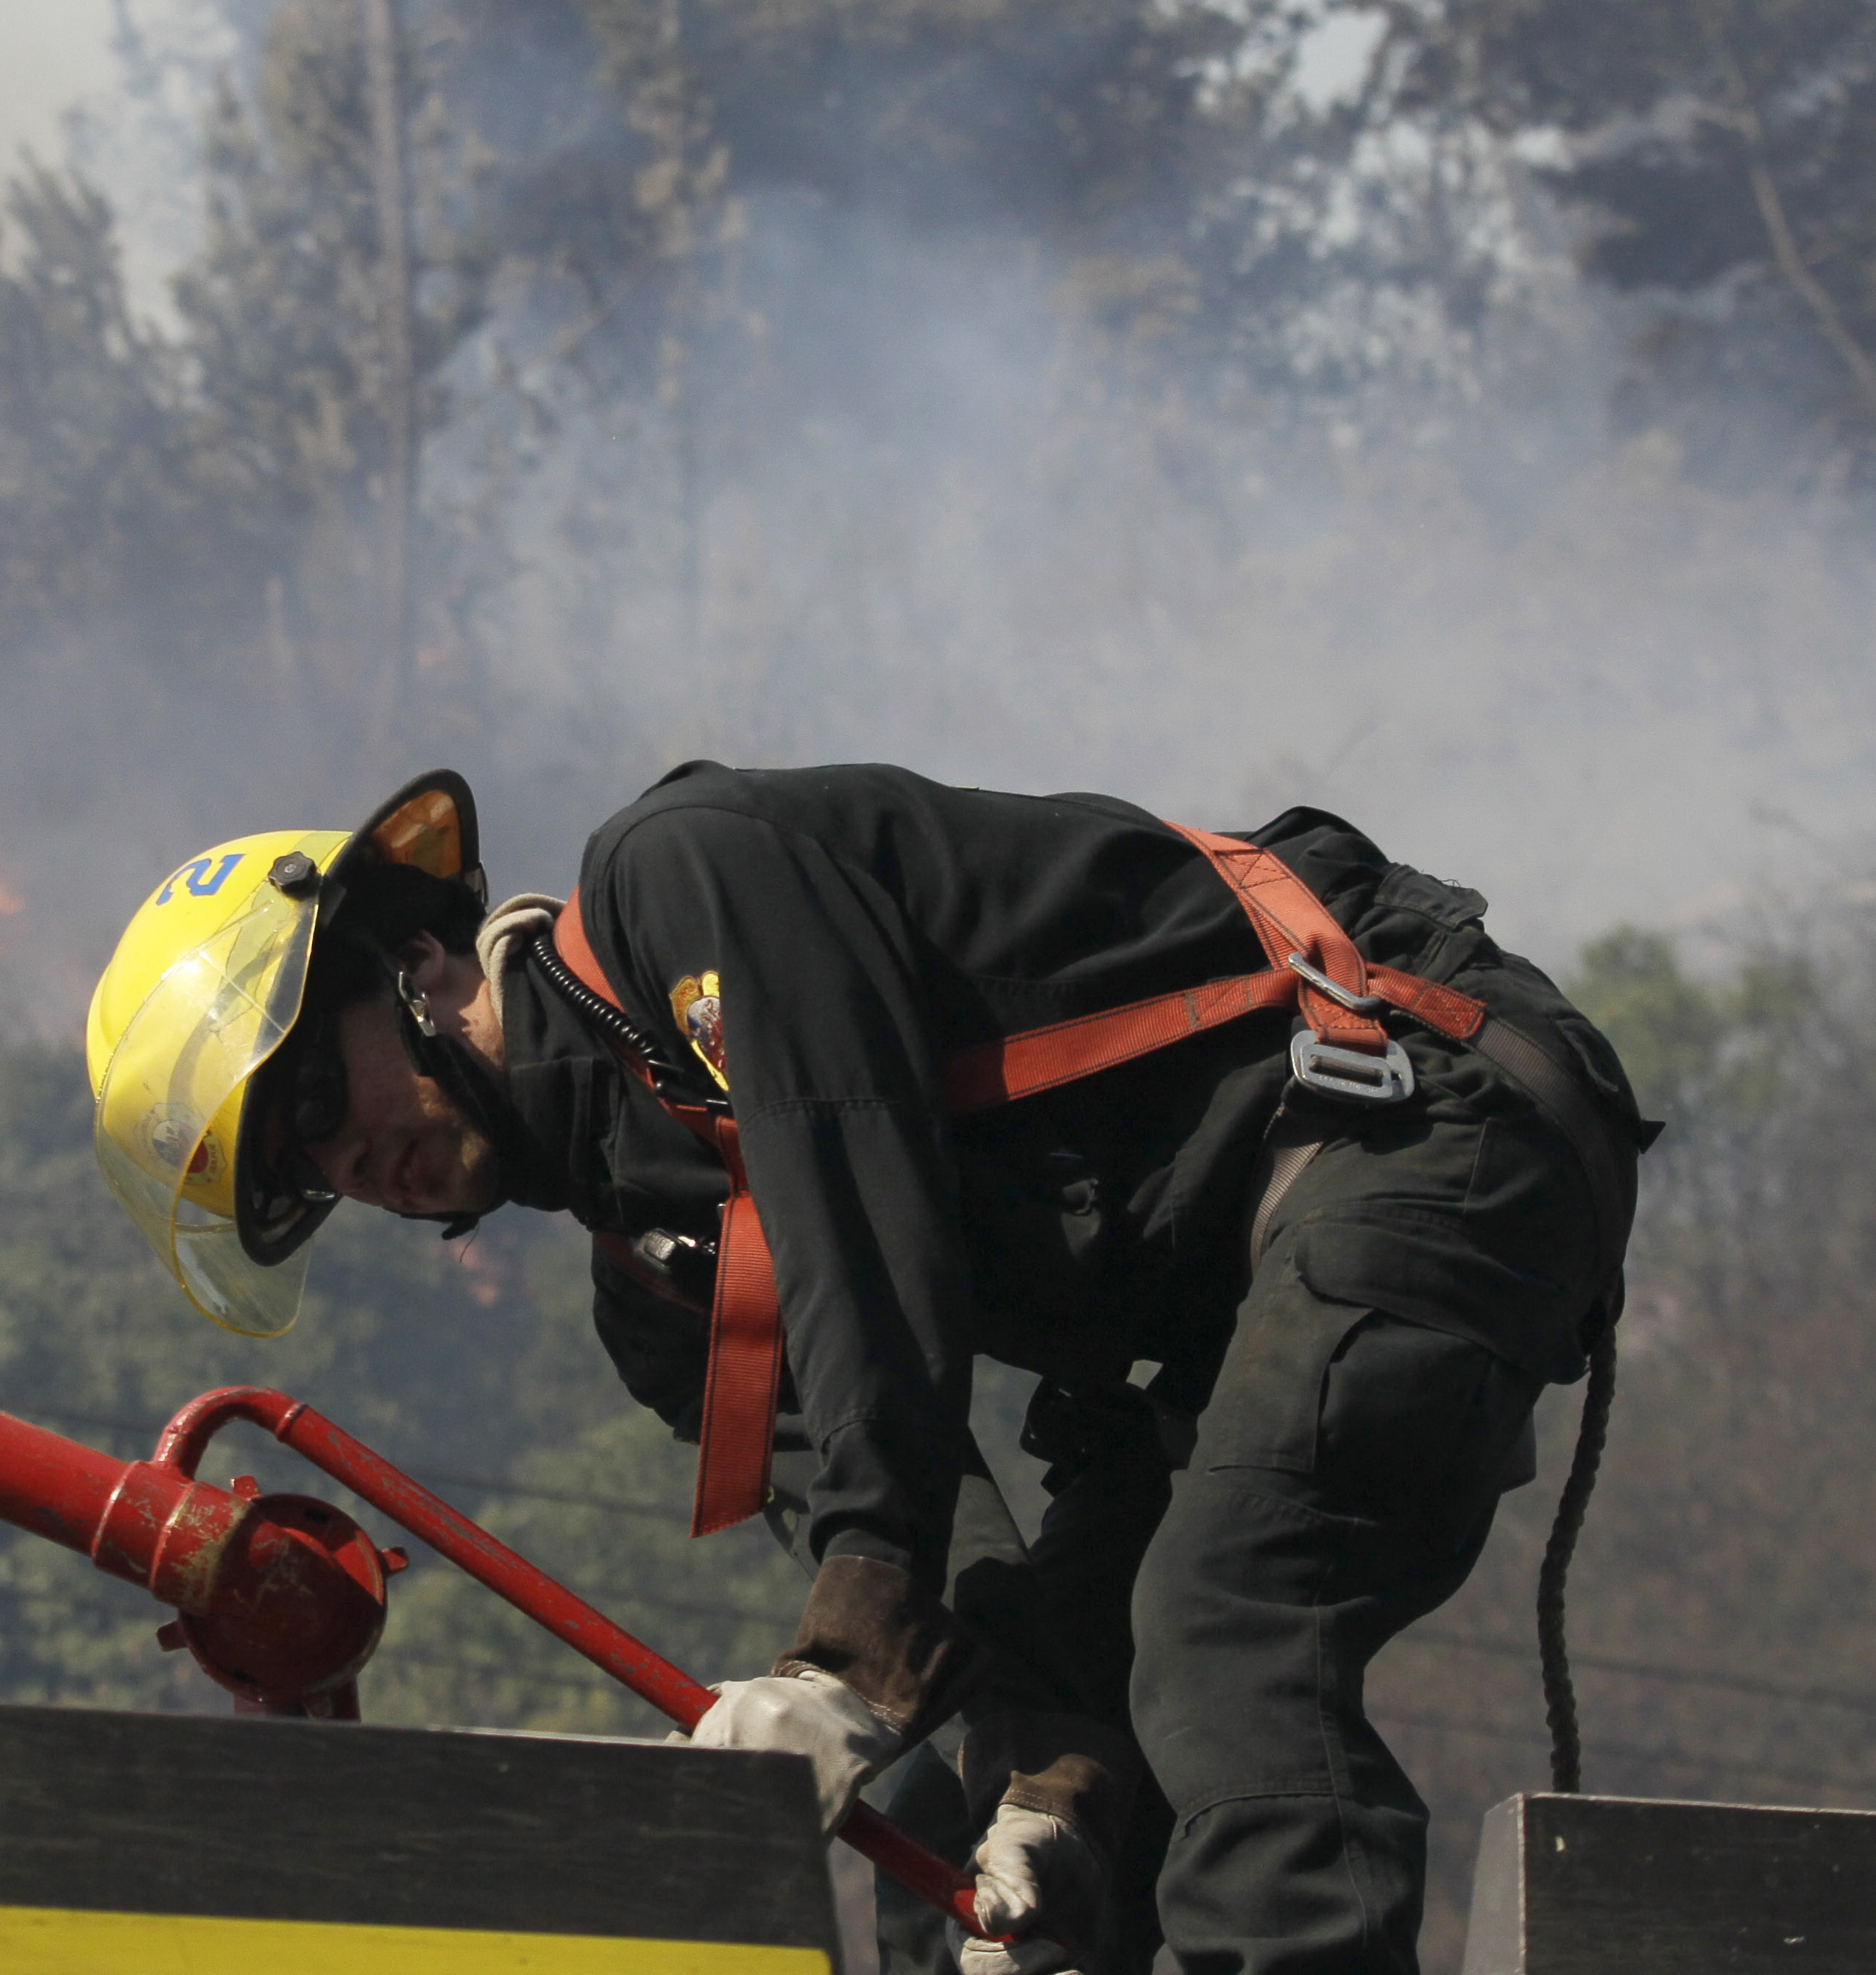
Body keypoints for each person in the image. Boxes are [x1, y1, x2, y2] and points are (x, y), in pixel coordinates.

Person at [85, 764, 1649, 1975]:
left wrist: (857, 1634)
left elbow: (856, 1202)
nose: (352, 1164)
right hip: (1228, 1302)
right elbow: (952, 1587)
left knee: (1222, 1631)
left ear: (410, 959)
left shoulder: (674, 884)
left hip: (1405, 1103)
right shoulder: (655, 1292)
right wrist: (1037, 1752)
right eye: (306, 1185)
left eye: (307, 1102)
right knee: (965, 1815)